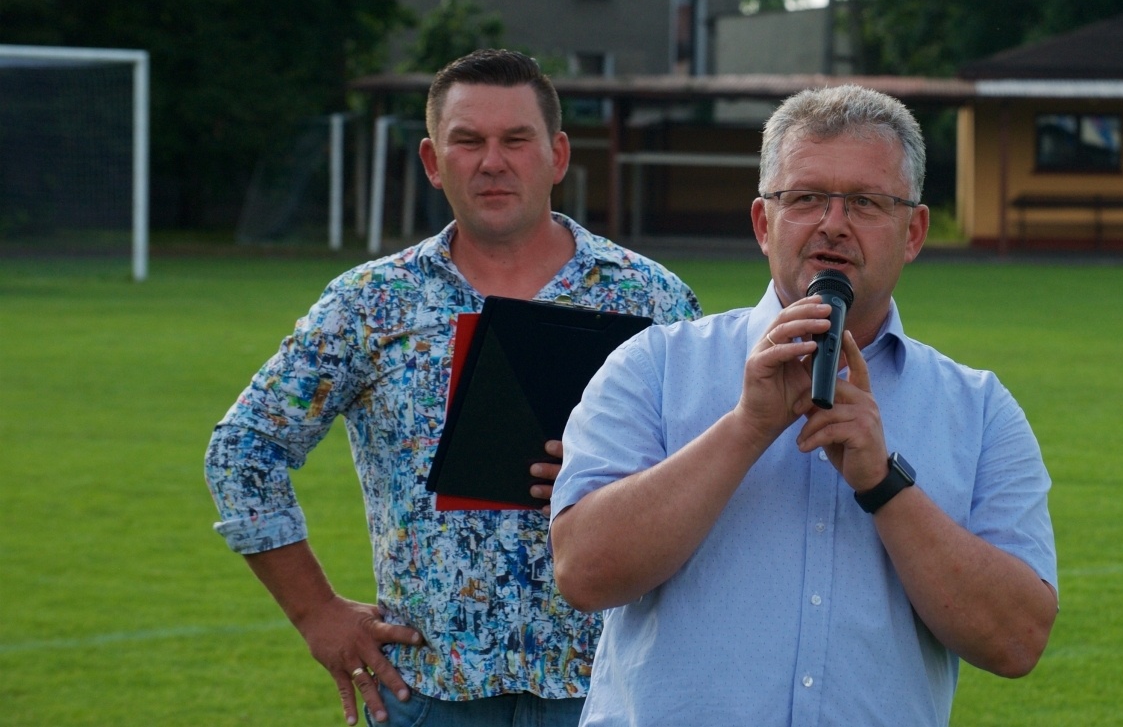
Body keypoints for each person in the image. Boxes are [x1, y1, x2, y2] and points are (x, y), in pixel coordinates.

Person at [205, 49, 701, 727]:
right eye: (468, 141)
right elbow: (243, 449)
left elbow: (718, 466)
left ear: (557, 156)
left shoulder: (649, 298)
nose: (492, 161)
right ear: (434, 162)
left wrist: (626, 478)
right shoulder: (371, 303)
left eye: (515, 140)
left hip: (610, 687)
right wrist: (317, 613)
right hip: (430, 691)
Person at [550, 84, 1057, 727]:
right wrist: (747, 427)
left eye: (867, 203)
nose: (834, 223)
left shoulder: (979, 409)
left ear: (914, 232)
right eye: (807, 198)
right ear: (764, 222)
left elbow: (1016, 642)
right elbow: (584, 572)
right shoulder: (654, 365)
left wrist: (883, 483)